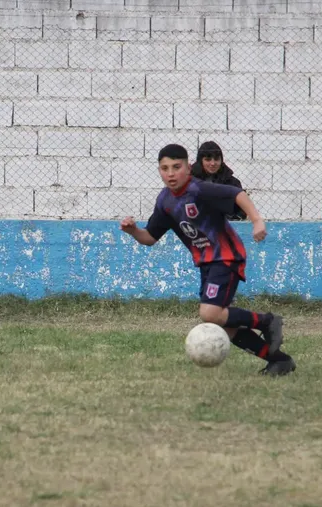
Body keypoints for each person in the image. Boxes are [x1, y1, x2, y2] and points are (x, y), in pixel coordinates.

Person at [120, 144, 295, 376]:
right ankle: (279, 361)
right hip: (206, 264)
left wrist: (257, 221)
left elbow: (237, 194)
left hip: (226, 257)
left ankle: (267, 321)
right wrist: (133, 230)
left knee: (210, 314)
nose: (170, 173)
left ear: (188, 167)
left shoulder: (199, 190)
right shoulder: (165, 202)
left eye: (176, 167)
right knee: (221, 323)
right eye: (164, 168)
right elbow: (150, 237)